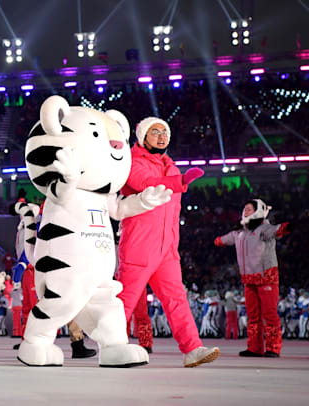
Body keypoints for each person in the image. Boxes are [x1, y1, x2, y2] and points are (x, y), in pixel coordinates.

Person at [117, 117, 220, 367]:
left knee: (177, 298)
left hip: (167, 249)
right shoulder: (133, 163)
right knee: (125, 300)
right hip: (139, 245)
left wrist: (173, 245)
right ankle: (112, 346)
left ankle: (192, 349)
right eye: (155, 132)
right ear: (142, 137)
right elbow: (145, 185)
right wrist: (180, 182)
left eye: (165, 132)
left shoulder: (172, 168)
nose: (162, 136)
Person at [214, 199, 292, 357]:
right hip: (249, 280)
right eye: (245, 209)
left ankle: (273, 347)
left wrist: (287, 227)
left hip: (266, 277)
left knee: (269, 314)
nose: (245, 211)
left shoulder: (264, 229)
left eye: (249, 209)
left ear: (258, 211)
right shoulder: (239, 232)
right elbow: (222, 240)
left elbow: (277, 230)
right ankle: (254, 347)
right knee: (253, 315)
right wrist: (217, 241)